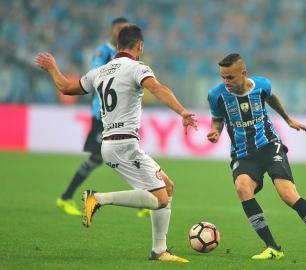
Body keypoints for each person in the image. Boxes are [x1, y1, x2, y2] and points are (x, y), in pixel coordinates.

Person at [35, 24, 197, 263]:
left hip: (111, 143)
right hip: (124, 145)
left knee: (167, 187)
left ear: (118, 45)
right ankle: (98, 199)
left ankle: (159, 251)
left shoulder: (99, 72)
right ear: (139, 46)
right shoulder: (137, 68)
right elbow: (158, 88)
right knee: (161, 198)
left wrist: (52, 68)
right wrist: (182, 111)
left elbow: (65, 87)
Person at [206, 53, 306, 263]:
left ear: (243, 73)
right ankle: (272, 247)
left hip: (269, 146)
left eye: (230, 77)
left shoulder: (261, 86)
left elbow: (272, 99)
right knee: (243, 188)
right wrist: (215, 131)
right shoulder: (216, 95)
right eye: (223, 77)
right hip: (243, 154)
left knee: (287, 194)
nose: (226, 82)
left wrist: (287, 119)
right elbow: (217, 119)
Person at [56, 17, 130, 216]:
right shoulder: (103, 51)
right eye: (119, 29)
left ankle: (145, 202)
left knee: (120, 154)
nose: (121, 32)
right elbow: (97, 75)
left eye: (125, 29)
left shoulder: (128, 54)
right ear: (112, 30)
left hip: (118, 114)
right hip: (101, 114)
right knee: (101, 157)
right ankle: (65, 197)